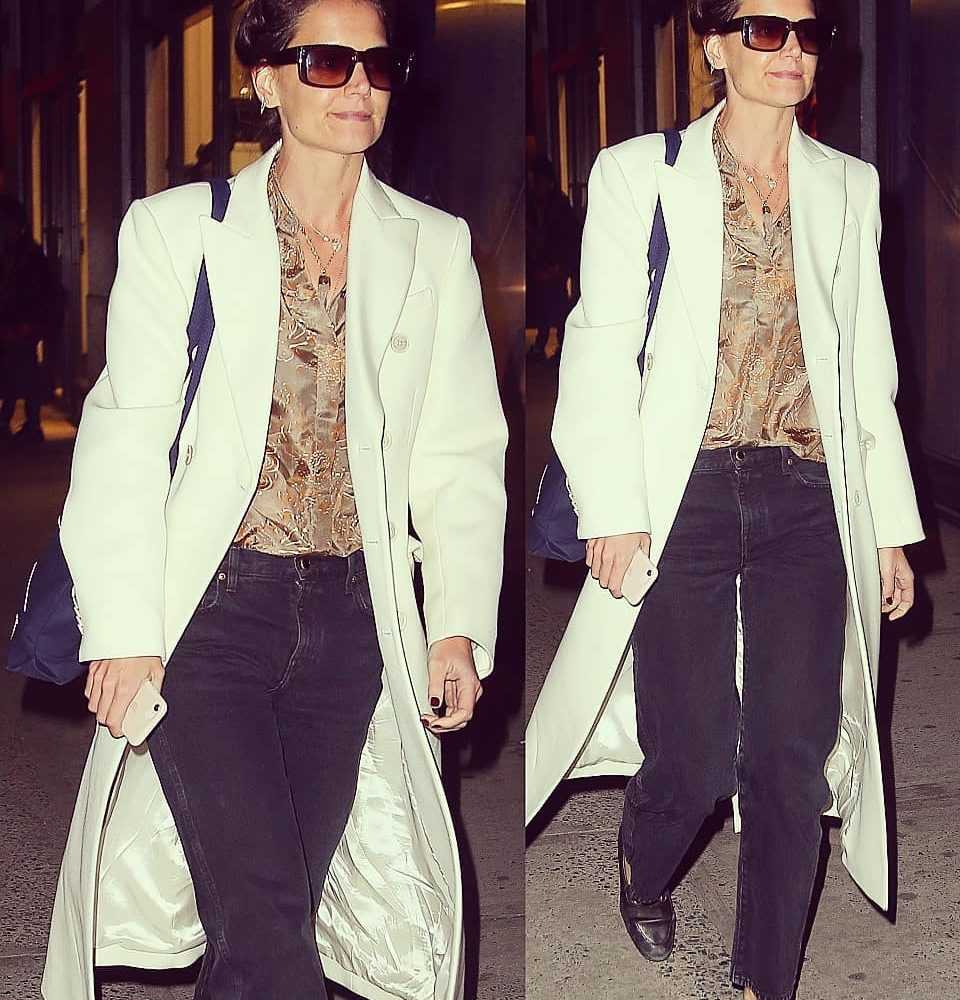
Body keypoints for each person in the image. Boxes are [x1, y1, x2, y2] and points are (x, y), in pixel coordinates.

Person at [42, 1, 507, 998]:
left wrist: (457, 625)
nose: (358, 86)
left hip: (354, 620)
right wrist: (122, 631)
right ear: (265, 78)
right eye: (327, 62)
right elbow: (124, 439)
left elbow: (460, 451)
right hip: (211, 613)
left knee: (273, 918)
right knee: (267, 929)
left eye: (377, 65)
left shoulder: (434, 245)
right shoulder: (178, 232)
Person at [525, 2, 923, 1000]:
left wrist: (888, 526)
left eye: (808, 32)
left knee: (792, 757)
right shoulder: (639, 174)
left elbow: (865, 366)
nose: (791, 50)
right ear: (712, 45)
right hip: (684, 493)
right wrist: (612, 505)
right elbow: (600, 345)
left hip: (808, 492)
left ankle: (762, 981)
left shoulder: (849, 186)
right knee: (696, 751)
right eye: (764, 30)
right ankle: (644, 857)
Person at [0, 195, 63, 444]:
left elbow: (39, 292)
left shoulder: (28, 255)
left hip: (24, 321)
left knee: (23, 368)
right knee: (15, 368)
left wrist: (30, 323)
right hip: (14, 320)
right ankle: (16, 419)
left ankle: (29, 422)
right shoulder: (15, 252)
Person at [526, 156, 579, 361]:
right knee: (544, 304)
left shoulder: (559, 206)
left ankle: (561, 345)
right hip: (543, 262)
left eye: (538, 181)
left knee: (557, 304)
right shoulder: (534, 205)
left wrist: (559, 266)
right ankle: (544, 344)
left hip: (555, 264)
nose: (535, 186)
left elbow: (567, 238)